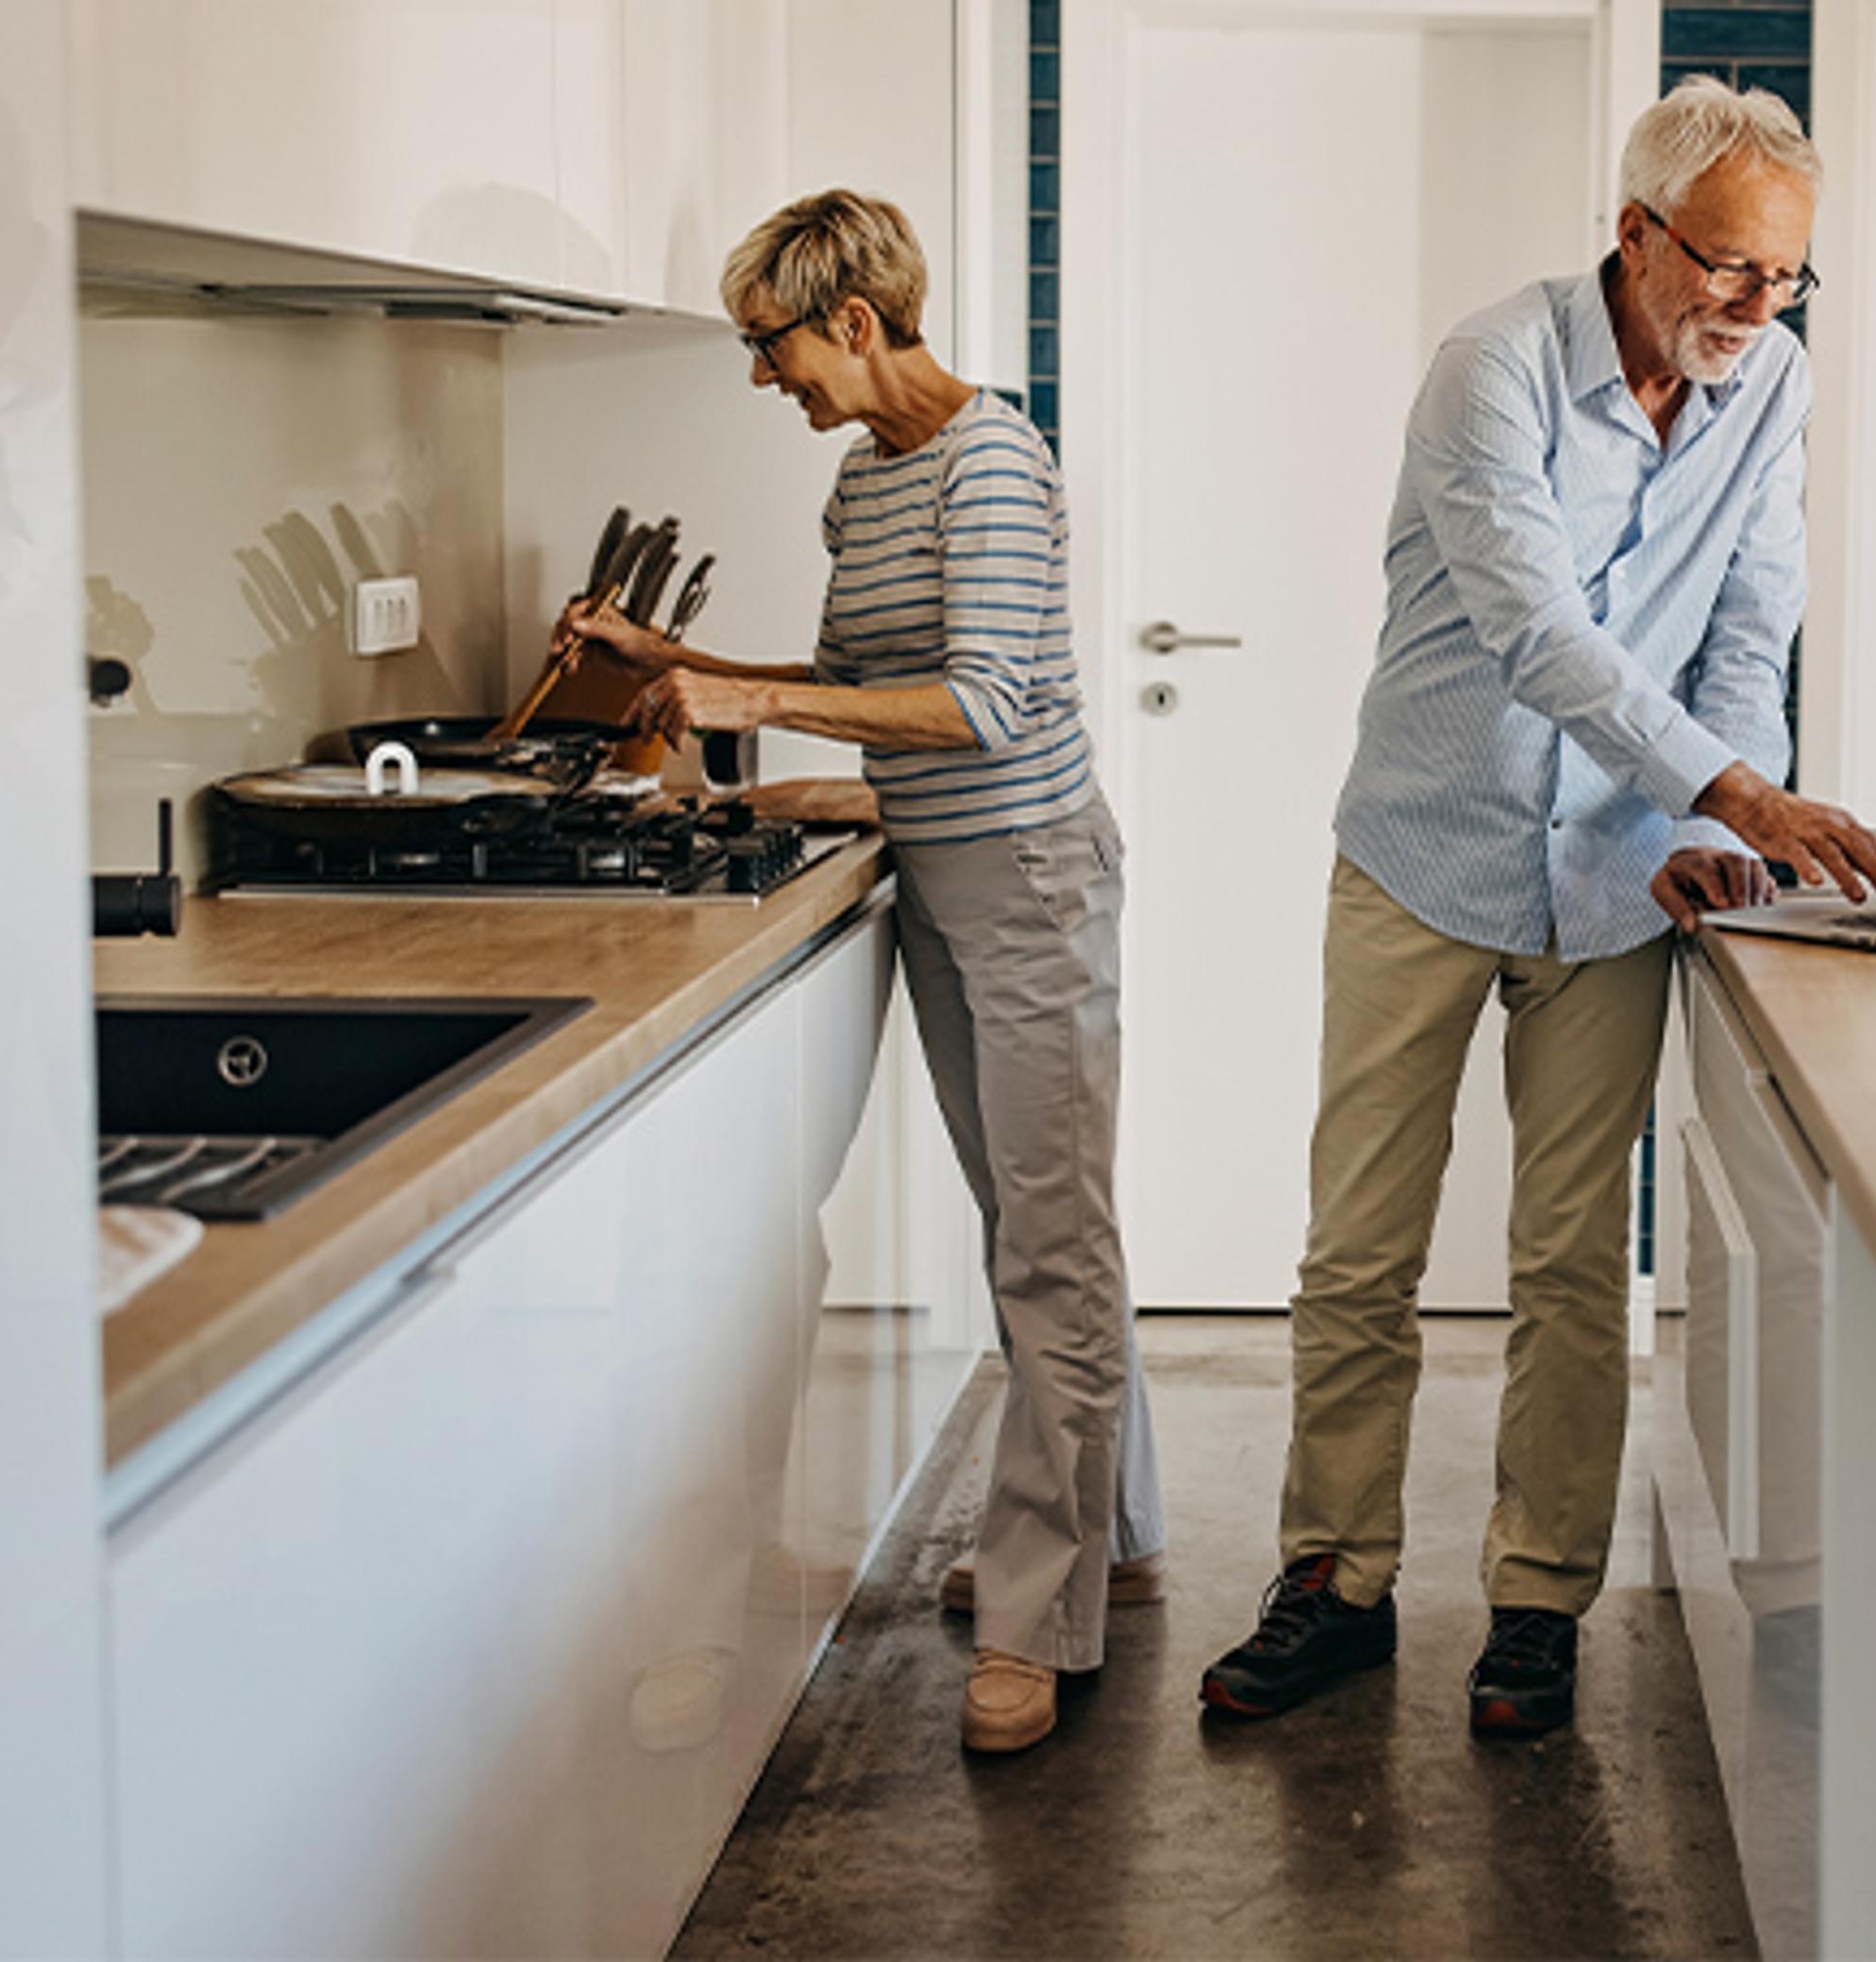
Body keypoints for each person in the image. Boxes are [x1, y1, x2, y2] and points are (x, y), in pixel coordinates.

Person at [1198, 80, 1876, 1739]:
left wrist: (1719, 812)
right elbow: (1538, 633)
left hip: (1614, 876)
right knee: (1361, 1247)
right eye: (1726, 268)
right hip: (1426, 847)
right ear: (1635, 231)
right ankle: (1335, 1580)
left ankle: (1536, 1604)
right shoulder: (1491, 369)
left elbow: (1751, 616)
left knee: (1575, 1261)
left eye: (1784, 277)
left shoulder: (1773, 383)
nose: (1753, 308)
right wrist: (1734, 790)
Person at [559, 190, 1161, 1755]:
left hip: (1028, 879)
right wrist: (660, 661)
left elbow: (980, 706)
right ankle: (1115, 1536)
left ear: (854, 320)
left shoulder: (993, 462)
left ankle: (1042, 1616)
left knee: (1049, 1244)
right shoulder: (865, 480)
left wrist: (736, 697)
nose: (766, 380)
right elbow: (849, 684)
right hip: (942, 876)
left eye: (771, 345)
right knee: (1038, 1221)